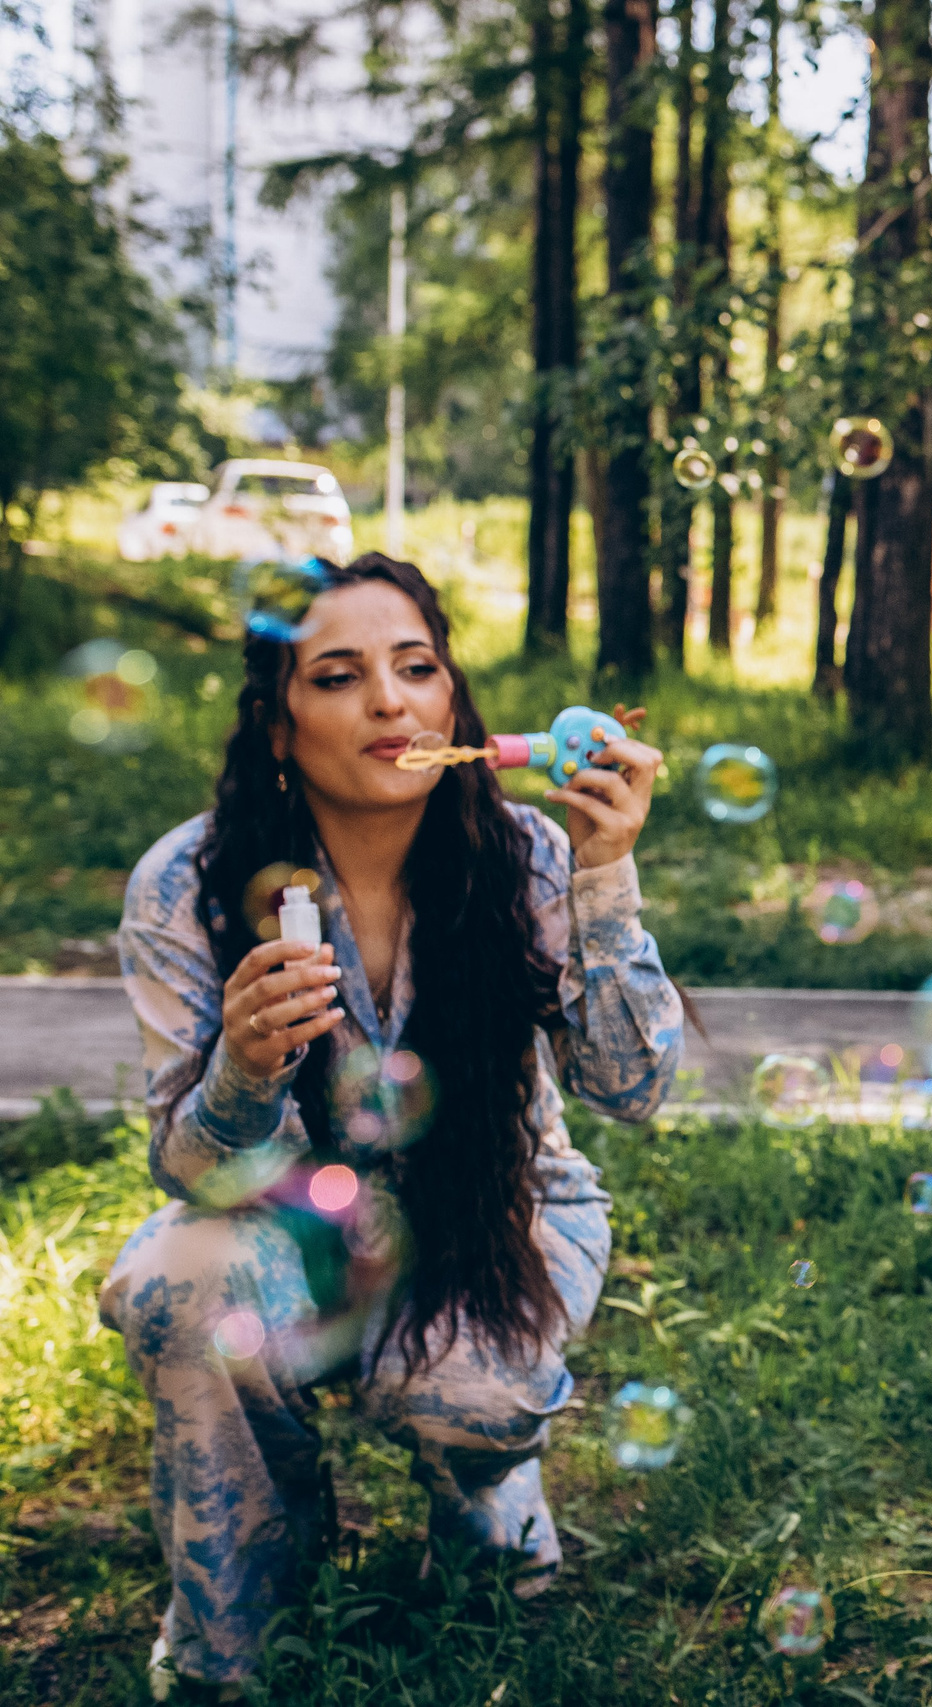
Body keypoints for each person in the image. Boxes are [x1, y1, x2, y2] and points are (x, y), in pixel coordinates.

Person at [100, 554, 684, 1699]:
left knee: (480, 1399)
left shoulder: (527, 860)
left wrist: (606, 874)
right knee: (177, 1283)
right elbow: (189, 1167)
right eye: (339, 675)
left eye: (417, 668)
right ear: (278, 727)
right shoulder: (186, 887)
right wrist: (243, 1068)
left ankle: (483, 1489)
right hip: (279, 1224)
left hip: (495, 1214)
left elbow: (632, 1091)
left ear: (455, 705)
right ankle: (246, 1588)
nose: (390, 701)